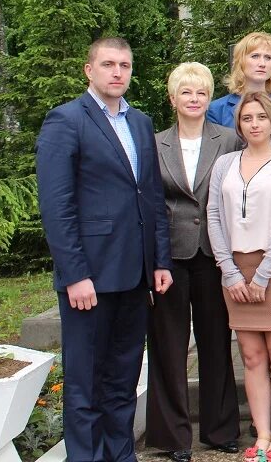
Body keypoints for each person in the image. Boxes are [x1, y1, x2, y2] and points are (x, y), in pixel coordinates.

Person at [36, 37, 172, 462]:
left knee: (123, 376)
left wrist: (160, 260)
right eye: (109, 64)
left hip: (134, 274)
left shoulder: (141, 123)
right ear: (88, 70)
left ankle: (121, 454)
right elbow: (57, 206)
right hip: (89, 277)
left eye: (125, 65)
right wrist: (75, 274)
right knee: (85, 381)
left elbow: (150, 196)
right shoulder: (66, 121)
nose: (118, 72)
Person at [148, 63, 242, 461]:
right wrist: (154, 259)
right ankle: (173, 437)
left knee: (216, 341)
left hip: (214, 254)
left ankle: (219, 430)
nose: (194, 99)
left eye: (201, 93)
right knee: (168, 346)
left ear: (209, 99)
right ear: (173, 98)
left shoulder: (229, 139)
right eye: (186, 93)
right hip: (169, 256)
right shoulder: (153, 143)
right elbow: (150, 204)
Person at [206, 92, 271, 462]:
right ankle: (261, 434)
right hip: (234, 271)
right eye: (247, 118)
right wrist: (229, 272)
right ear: (239, 124)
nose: (254, 124)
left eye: (261, 117)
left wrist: (262, 276)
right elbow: (214, 216)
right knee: (250, 356)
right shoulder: (225, 164)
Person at [207, 31, 271, 152]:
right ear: (241, 61)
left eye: (268, 57)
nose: (262, 64)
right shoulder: (217, 110)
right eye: (255, 56)